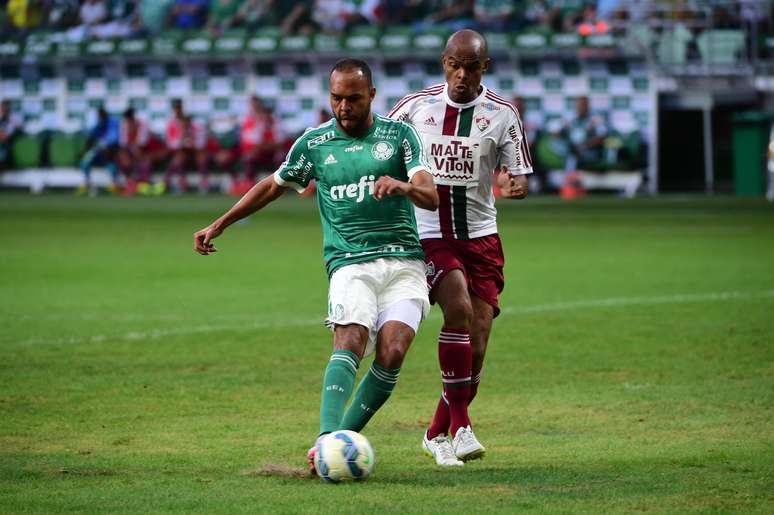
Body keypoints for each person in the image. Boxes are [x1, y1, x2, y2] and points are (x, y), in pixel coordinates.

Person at [193, 58, 438, 474]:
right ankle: (328, 441)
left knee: (393, 350)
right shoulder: (314, 143)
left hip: (404, 261)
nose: (343, 106)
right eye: (336, 98)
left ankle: (337, 441)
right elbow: (272, 186)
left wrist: (403, 185)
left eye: (354, 98)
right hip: (348, 263)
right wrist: (220, 223)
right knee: (351, 341)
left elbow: (431, 197)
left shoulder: (399, 137)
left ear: (372, 96)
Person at [388, 29, 531, 466]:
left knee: (479, 343)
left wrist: (515, 182)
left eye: (472, 67)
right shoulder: (414, 107)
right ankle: (463, 426)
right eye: (455, 65)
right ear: (443, 62)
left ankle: (436, 432)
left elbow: (516, 172)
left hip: (481, 236)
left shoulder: (503, 114)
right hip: (430, 233)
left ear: (484, 67)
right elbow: (380, 146)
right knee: (459, 311)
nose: (462, 75)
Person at [161, 100, 209, 194]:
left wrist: (189, 142)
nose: (185, 124)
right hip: (181, 153)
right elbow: (171, 144)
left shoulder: (197, 128)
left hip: (195, 153)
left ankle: (204, 184)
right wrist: (183, 140)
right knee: (179, 157)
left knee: (201, 156)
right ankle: (179, 184)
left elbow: (200, 144)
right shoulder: (174, 125)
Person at [117, 108, 166, 196]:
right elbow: (123, 143)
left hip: (147, 152)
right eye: (127, 119)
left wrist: (135, 151)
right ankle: (132, 185)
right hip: (134, 152)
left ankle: (140, 186)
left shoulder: (142, 124)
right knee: (124, 158)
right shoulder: (124, 125)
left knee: (144, 162)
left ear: (132, 117)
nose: (128, 121)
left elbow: (141, 143)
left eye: (129, 118)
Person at [77, 106, 121, 195]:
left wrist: (107, 149)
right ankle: (87, 183)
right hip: (97, 151)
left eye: (102, 116)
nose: (100, 117)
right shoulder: (98, 124)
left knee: (110, 163)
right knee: (85, 161)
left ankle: (115, 185)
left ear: (106, 115)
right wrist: (86, 150)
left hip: (109, 151)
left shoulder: (113, 123)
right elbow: (91, 138)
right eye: (99, 116)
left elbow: (114, 140)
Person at [0, 99, 22, 170]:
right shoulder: (2, 119)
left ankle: (5, 164)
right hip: (3, 138)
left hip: (10, 138)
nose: (4, 109)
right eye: (3, 108)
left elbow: (12, 130)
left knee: (6, 145)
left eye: (6, 108)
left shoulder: (14, 118)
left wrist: (5, 136)